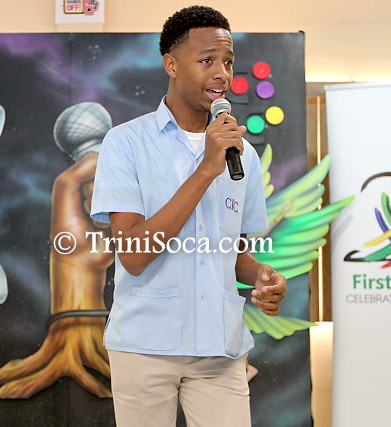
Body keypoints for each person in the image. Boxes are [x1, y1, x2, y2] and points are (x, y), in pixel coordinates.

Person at [90, 6, 287, 426]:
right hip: (145, 347)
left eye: (228, 62)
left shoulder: (243, 155)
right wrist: (206, 169)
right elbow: (134, 255)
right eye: (207, 60)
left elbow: (233, 254)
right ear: (172, 64)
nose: (221, 73)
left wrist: (264, 276)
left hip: (220, 349)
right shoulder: (126, 143)